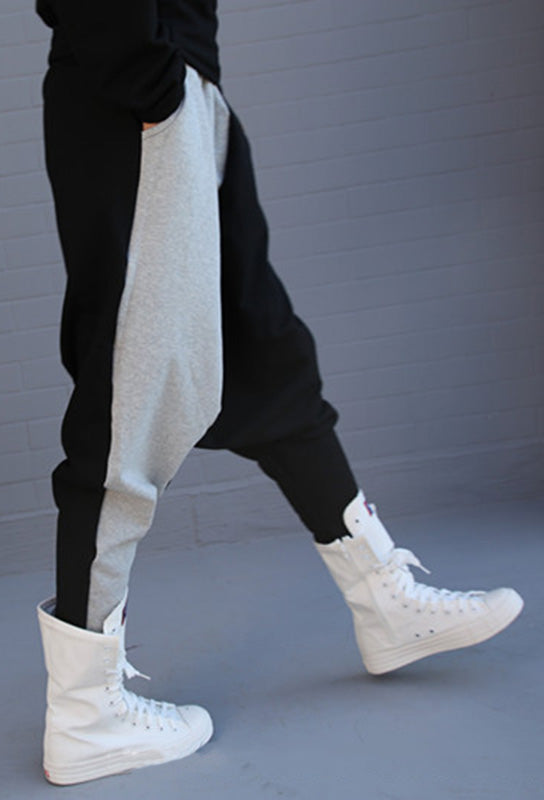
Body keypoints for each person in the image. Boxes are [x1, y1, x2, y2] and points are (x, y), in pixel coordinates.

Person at [34, 0, 524, 786]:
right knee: (132, 401)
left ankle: (385, 601)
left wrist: (184, 90)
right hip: (141, 92)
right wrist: (150, 80)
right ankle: (84, 712)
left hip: (184, 87)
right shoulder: (144, 85)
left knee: (265, 354)